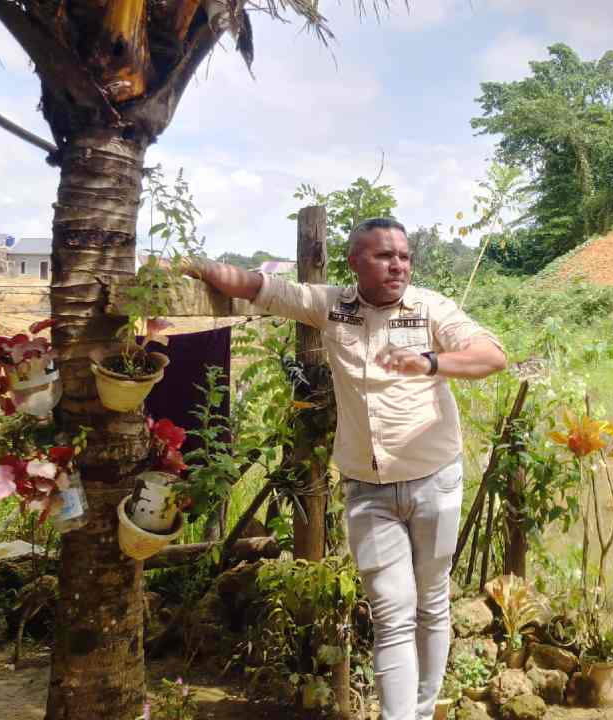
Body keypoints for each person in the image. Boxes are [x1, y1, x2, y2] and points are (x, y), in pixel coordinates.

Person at [186, 217, 506, 720]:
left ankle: (421, 712)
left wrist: (430, 362)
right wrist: (195, 266)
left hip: (435, 480)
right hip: (367, 488)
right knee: (391, 610)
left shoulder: (430, 308)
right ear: (355, 261)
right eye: (384, 255)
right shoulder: (331, 305)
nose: (398, 264)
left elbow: (492, 355)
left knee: (431, 603)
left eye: (403, 255)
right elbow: (258, 287)